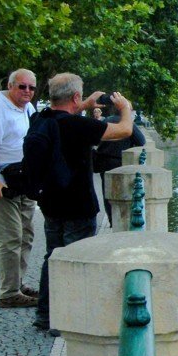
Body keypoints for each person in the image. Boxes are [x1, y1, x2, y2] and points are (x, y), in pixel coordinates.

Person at [33, 74, 134, 336]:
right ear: (76, 97)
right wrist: (126, 109)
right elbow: (125, 130)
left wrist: (84, 103)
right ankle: (68, 318)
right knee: (78, 260)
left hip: (50, 202)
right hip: (77, 204)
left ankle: (45, 315)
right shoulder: (78, 126)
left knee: (53, 256)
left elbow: (63, 113)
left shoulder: (40, 119)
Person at [0, 69, 39, 308]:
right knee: (11, 236)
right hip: (4, 182)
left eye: (31, 88)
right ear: (11, 85)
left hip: (23, 181)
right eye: (22, 86)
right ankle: (9, 293)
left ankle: (17, 283)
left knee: (27, 234)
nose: (27, 91)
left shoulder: (28, 108)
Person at [92, 96, 146, 227]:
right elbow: (141, 141)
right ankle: (121, 220)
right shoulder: (128, 124)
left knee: (107, 193)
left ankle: (111, 220)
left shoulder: (106, 121)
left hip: (104, 162)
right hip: (120, 162)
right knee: (122, 192)